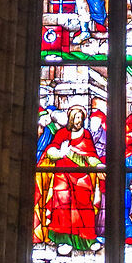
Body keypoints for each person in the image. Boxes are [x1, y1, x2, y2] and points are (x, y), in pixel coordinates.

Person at [35, 108, 102, 255]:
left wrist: (97, 165)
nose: (78, 120)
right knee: (62, 204)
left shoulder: (86, 135)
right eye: (76, 117)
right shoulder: (62, 133)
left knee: (85, 205)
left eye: (80, 117)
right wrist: (60, 153)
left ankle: (87, 240)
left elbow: (90, 155)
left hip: (81, 176)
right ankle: (64, 240)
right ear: (70, 118)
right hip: (63, 175)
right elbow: (51, 150)